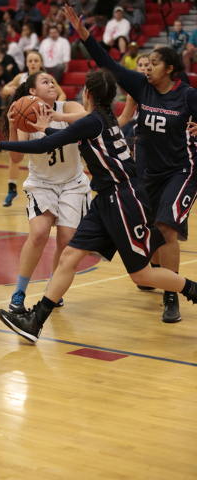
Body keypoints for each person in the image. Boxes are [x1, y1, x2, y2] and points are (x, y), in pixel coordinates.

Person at [0, 69, 197, 343]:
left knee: (142, 275)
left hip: (123, 197)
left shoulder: (92, 121)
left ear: (87, 94)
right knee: (69, 256)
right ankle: (35, 322)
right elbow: (55, 135)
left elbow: (49, 142)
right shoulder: (100, 118)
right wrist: (43, 126)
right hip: (105, 198)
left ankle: (193, 290)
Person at [60, 5, 197, 324]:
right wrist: (85, 36)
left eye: (155, 63)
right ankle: (156, 274)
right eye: (146, 63)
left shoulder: (188, 96)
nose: (147, 67)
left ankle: (172, 296)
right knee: (151, 231)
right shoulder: (140, 86)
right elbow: (107, 63)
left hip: (182, 171)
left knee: (167, 229)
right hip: (148, 171)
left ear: (171, 69)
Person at [0, 71, 91, 314]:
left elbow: (89, 117)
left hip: (72, 183)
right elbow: (16, 158)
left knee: (66, 240)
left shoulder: (67, 105)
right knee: (38, 233)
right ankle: (19, 292)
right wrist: (11, 122)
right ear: (32, 91)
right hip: (42, 183)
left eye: (52, 81)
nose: (51, 84)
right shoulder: (24, 114)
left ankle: (53, 288)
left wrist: (56, 116)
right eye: (45, 81)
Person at [1, 51, 66, 207]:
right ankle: (12, 188)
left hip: (45, 115)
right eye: (30, 60)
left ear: (41, 62)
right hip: (25, 117)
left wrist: (56, 108)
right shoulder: (21, 77)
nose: (33, 63)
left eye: (36, 60)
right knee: (15, 155)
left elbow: (61, 94)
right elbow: (4, 88)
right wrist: (10, 90)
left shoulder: (48, 79)